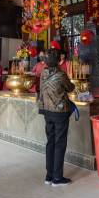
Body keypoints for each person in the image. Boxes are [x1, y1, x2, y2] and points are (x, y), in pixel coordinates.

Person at [37, 48, 75, 187]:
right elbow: (70, 88)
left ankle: (49, 176)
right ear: (59, 60)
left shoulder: (43, 73)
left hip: (47, 111)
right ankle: (57, 178)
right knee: (59, 144)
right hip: (59, 112)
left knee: (50, 142)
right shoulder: (61, 74)